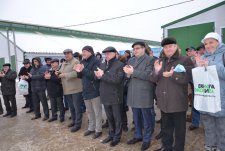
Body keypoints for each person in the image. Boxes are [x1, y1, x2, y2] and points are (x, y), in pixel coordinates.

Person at [151, 37, 194, 151]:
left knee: (179, 130)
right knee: (166, 128)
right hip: (164, 102)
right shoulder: (160, 61)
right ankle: (167, 147)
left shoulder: (185, 60)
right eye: (165, 47)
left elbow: (188, 77)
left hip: (178, 102)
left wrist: (173, 75)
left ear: (175, 47)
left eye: (170, 46)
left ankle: (179, 148)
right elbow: (152, 78)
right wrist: (156, 71)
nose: (168, 49)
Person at [195, 32, 225, 151]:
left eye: (211, 42)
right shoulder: (203, 57)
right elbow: (197, 80)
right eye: (206, 44)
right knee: (208, 127)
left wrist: (211, 65)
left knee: (222, 128)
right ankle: (210, 146)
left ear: (218, 42)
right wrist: (197, 68)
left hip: (221, 99)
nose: (208, 46)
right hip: (206, 98)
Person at [124, 41, 155, 151]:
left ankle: (147, 139)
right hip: (133, 91)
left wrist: (133, 72)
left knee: (146, 118)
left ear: (143, 49)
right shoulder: (131, 59)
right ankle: (138, 135)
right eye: (134, 49)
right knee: (135, 116)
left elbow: (148, 75)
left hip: (144, 93)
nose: (135, 50)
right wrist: (127, 73)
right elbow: (127, 74)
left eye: (137, 48)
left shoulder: (150, 60)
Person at [94, 46, 124, 147]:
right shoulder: (102, 64)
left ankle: (117, 137)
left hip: (115, 96)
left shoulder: (120, 65)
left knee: (117, 118)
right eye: (105, 54)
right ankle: (111, 134)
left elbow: (117, 80)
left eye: (109, 53)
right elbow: (99, 77)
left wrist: (103, 75)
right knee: (109, 118)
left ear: (115, 53)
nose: (107, 55)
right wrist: (97, 76)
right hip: (104, 94)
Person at [74, 46, 102, 139]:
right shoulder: (82, 61)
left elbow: (94, 76)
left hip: (94, 90)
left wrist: (83, 70)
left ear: (90, 52)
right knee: (89, 111)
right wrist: (78, 71)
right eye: (82, 52)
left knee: (97, 111)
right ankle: (91, 128)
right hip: (85, 90)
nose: (83, 53)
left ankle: (98, 130)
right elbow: (80, 76)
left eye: (85, 51)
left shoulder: (96, 61)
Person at [56, 49, 83, 132]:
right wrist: (58, 73)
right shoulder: (64, 63)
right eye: (65, 54)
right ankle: (74, 121)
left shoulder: (76, 62)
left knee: (77, 107)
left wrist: (64, 75)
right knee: (71, 107)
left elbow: (76, 73)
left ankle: (78, 124)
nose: (66, 55)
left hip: (75, 89)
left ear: (71, 54)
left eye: (68, 54)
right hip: (67, 89)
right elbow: (61, 71)